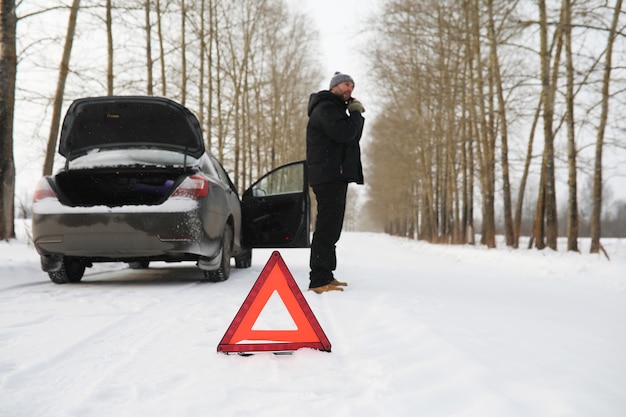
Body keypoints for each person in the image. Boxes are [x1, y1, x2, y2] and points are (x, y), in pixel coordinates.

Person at [306, 71, 365, 294]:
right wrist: (356, 115)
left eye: (352, 85)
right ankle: (318, 279)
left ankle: (326, 276)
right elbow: (347, 134)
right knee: (326, 228)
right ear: (334, 87)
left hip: (333, 175)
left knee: (332, 228)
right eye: (345, 85)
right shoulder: (326, 108)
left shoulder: (334, 108)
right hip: (327, 175)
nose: (349, 88)